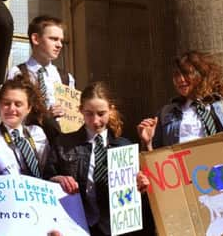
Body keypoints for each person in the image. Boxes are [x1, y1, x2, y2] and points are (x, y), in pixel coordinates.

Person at [45, 82, 149, 236]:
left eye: (101, 114)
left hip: (114, 228)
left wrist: (140, 184)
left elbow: (134, 193)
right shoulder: (63, 144)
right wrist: (57, 179)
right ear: (80, 110)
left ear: (111, 110)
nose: (95, 121)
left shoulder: (124, 147)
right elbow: (45, 181)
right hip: (76, 226)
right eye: (89, 113)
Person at [137, 50, 223, 150]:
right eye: (176, 75)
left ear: (199, 76)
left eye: (186, 74)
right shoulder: (166, 113)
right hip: (180, 179)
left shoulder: (221, 109)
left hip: (214, 178)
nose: (180, 80)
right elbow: (155, 160)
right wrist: (147, 142)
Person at [8, 15, 74, 142]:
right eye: (53, 39)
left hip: (60, 143)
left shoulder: (66, 78)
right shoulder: (18, 73)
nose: (59, 45)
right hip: (30, 141)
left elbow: (74, 118)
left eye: (61, 40)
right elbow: (13, 113)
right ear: (36, 39)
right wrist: (44, 116)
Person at [0, 75, 50, 177]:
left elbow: (48, 170)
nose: (12, 109)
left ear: (29, 108)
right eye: (6, 103)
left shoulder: (38, 134)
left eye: (18, 104)